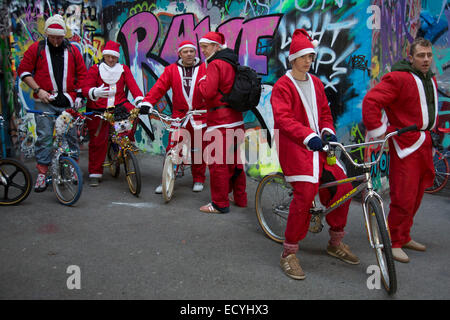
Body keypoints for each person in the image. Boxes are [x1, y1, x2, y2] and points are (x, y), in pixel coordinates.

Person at [270, 29, 359, 280]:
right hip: (295, 148)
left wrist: (328, 132)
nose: (309, 61)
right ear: (293, 58)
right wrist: (308, 136)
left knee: (342, 185)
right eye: (305, 56)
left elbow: (324, 112)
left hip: (319, 147)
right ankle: (289, 253)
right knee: (306, 191)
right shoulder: (282, 86)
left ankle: (335, 241)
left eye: (311, 56)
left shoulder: (316, 82)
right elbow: (283, 119)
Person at [362, 37, 438, 263]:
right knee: (403, 196)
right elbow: (371, 101)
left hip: (423, 142)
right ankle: (392, 241)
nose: (426, 60)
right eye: (421, 55)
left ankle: (403, 235)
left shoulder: (428, 79)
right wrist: (380, 131)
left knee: (416, 194)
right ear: (411, 57)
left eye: (429, 55)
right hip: (406, 144)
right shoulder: (398, 78)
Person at [17, 14, 87, 192]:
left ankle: (72, 169)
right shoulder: (37, 49)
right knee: (45, 136)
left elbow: (83, 75)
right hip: (44, 101)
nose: (56, 41)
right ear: (47, 34)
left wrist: (79, 96)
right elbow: (23, 70)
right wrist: (38, 90)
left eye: (59, 37)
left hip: (68, 101)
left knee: (71, 136)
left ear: (64, 35)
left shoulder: (72, 51)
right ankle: (42, 172)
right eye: (53, 37)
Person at [139, 40, 207, 193]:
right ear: (179, 54)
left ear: (195, 53)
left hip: (199, 115)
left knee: (199, 149)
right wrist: (147, 102)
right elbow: (160, 87)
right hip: (179, 116)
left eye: (192, 51)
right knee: (173, 148)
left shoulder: (205, 68)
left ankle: (198, 178)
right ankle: (168, 179)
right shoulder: (171, 70)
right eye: (185, 51)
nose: (189, 54)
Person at [197, 31, 247, 213]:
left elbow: (208, 93)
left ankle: (220, 203)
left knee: (218, 164)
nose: (202, 50)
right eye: (201, 46)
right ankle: (240, 198)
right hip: (236, 120)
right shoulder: (232, 62)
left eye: (205, 46)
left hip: (220, 122)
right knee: (236, 162)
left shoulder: (215, 63)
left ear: (217, 47)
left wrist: (202, 80)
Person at [81, 40, 144, 187]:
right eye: (108, 56)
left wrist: (140, 100)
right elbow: (85, 88)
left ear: (117, 57)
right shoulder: (95, 69)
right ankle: (95, 172)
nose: (110, 60)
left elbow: (133, 86)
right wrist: (94, 92)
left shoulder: (123, 69)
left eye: (113, 57)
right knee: (98, 141)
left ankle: (126, 143)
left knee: (134, 114)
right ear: (104, 56)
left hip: (119, 105)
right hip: (98, 107)